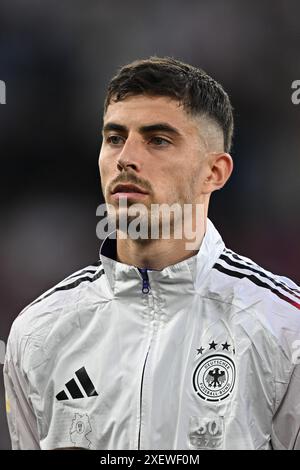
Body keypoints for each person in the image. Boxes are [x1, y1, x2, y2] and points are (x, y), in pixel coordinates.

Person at [3, 57, 300, 450]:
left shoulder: (283, 327)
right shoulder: (37, 332)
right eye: (114, 138)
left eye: (157, 139)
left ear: (215, 172)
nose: (125, 157)